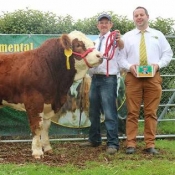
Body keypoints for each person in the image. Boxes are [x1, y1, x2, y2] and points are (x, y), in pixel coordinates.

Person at [118, 6, 173, 154]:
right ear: (134, 18)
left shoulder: (158, 35)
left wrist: (158, 65)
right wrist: (130, 67)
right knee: (132, 112)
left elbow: (168, 53)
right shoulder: (127, 36)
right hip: (133, 77)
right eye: (136, 15)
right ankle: (131, 144)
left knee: (151, 112)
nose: (139, 17)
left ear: (147, 16)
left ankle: (150, 145)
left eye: (141, 15)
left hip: (153, 77)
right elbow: (120, 58)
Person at [79, 13, 124, 155]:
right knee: (93, 111)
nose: (103, 25)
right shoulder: (94, 41)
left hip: (108, 78)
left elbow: (121, 46)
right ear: (97, 25)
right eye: (101, 22)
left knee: (110, 112)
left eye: (106, 22)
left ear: (111, 25)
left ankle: (113, 143)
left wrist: (119, 39)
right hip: (95, 79)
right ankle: (94, 139)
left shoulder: (115, 38)